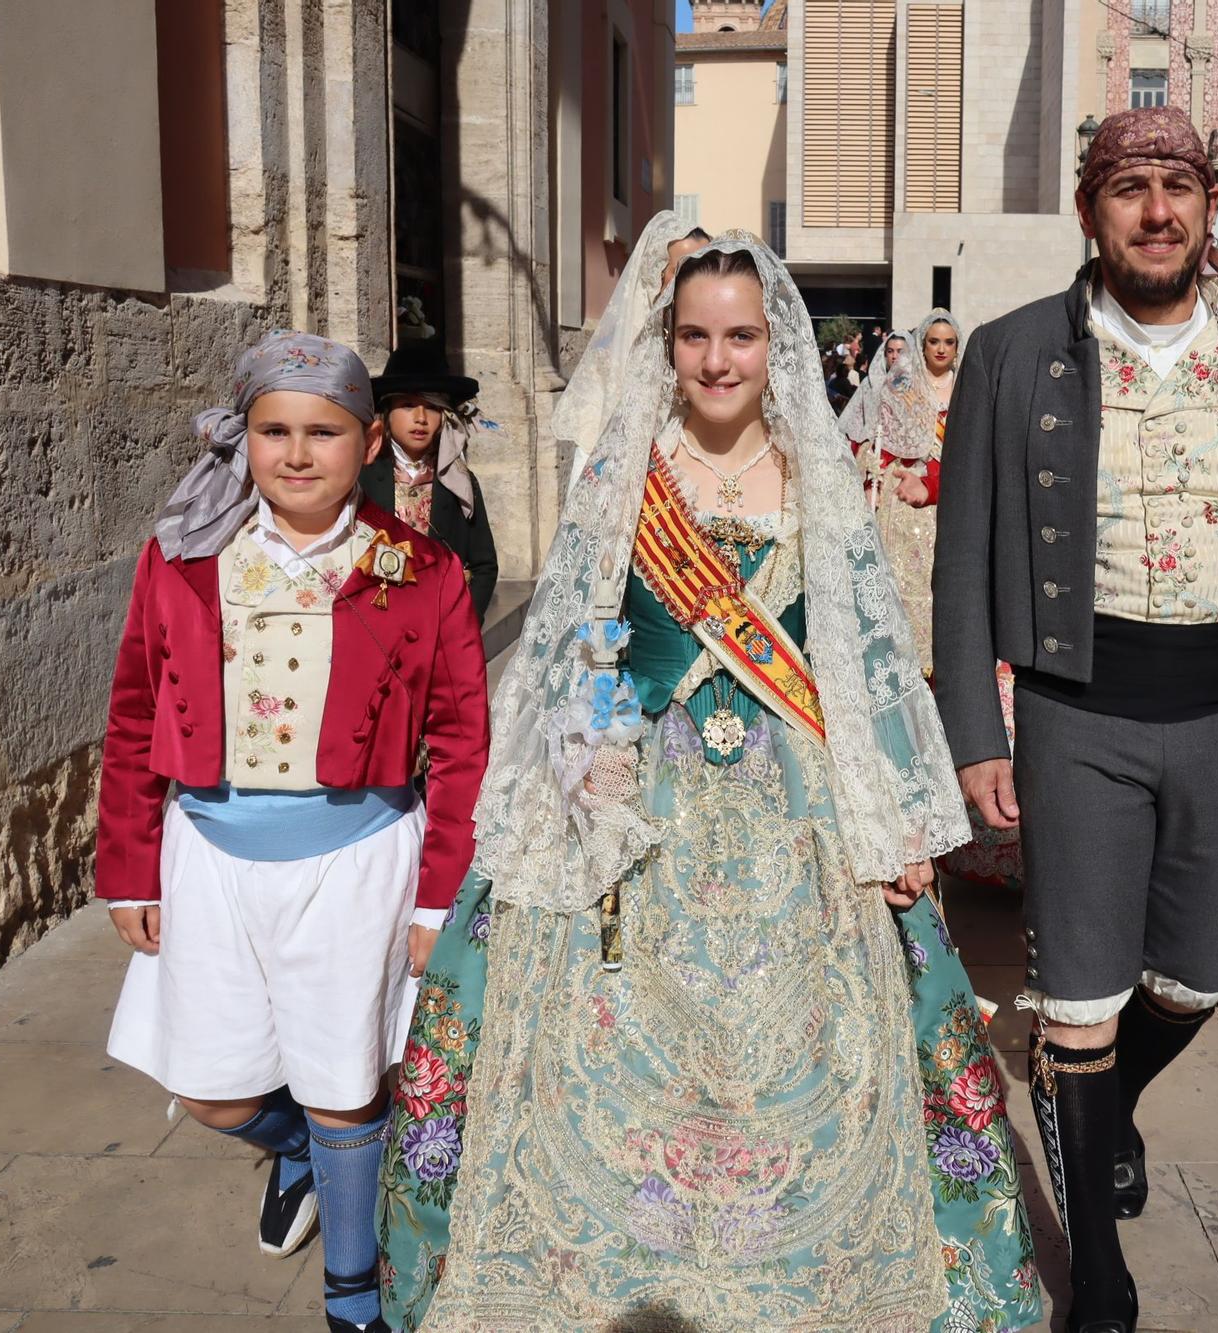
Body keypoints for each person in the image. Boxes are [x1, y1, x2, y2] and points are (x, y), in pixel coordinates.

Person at [377, 235, 1041, 1332]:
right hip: (638, 796)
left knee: (806, 1063)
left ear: (773, 341)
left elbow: (860, 646)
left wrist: (895, 817)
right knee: (619, 1050)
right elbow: (574, 640)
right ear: (666, 341)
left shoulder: (817, 467)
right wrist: (579, 771)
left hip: (798, 803)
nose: (717, 358)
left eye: (740, 334)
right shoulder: (624, 470)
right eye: (695, 335)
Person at [932, 107, 1218, 1333]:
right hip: (1078, 714)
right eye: (1129, 187)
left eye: (1177, 186)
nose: (1155, 210)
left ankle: (1100, 1111)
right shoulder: (1013, 352)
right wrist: (976, 729)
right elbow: (963, 557)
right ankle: (1103, 1277)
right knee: (1077, 993)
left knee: (1194, 975)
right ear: (1091, 211)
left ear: (1206, 209)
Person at [96, 331, 491, 1333]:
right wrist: (129, 867)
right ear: (245, 438)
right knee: (214, 1088)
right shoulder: (182, 556)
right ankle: (308, 1156)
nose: (298, 452)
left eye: (323, 431)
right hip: (209, 856)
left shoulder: (420, 569)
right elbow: (136, 708)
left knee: (346, 1084)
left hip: (357, 860)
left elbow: (459, 739)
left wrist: (438, 894)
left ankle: (354, 1294)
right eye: (275, 430)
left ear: (365, 444)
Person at [554, 214, 712, 494]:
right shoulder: (614, 358)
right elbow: (592, 452)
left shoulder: (714, 345)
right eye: (683, 269)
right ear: (656, 275)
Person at [364, 337, 501, 620]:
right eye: (407, 404)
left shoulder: (459, 484)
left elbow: (484, 565)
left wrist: (464, 624)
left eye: (432, 406)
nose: (420, 417)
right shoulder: (362, 479)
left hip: (442, 628)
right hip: (378, 624)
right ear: (386, 414)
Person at [869, 309, 961, 674]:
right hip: (906, 502)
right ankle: (901, 667)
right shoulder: (902, 384)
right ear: (922, 345)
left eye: (949, 342)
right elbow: (884, 442)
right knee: (903, 585)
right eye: (934, 341)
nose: (941, 349)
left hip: (952, 499)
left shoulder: (969, 385)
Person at [838, 327, 907, 466]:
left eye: (900, 351)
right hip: (872, 453)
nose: (894, 356)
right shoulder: (870, 383)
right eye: (890, 351)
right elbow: (850, 418)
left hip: (902, 456)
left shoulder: (914, 386)